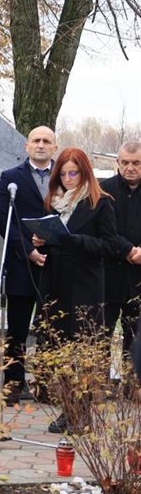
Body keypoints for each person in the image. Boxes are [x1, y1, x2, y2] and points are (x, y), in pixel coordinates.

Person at [32, 148, 117, 433]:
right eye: (63, 173)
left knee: (82, 351)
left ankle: (83, 413)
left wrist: (77, 240)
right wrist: (42, 240)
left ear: (85, 173)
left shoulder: (100, 202)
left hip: (84, 285)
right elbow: (52, 237)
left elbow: (109, 244)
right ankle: (68, 410)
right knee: (59, 349)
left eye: (74, 173)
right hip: (56, 282)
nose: (68, 179)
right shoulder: (53, 202)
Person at [0, 126, 59, 402]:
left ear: (55, 147)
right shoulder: (10, 178)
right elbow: (2, 219)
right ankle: (13, 383)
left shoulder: (66, 175)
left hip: (55, 264)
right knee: (17, 329)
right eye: (36, 140)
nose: (41, 145)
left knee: (50, 327)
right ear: (26, 146)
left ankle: (45, 384)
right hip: (22, 264)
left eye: (47, 141)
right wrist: (29, 250)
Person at [100, 141, 141, 364]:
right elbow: (102, 231)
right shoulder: (103, 190)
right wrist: (127, 250)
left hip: (138, 279)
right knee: (101, 336)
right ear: (117, 162)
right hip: (109, 276)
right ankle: (95, 391)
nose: (130, 168)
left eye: (136, 163)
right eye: (125, 162)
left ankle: (131, 392)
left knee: (135, 340)